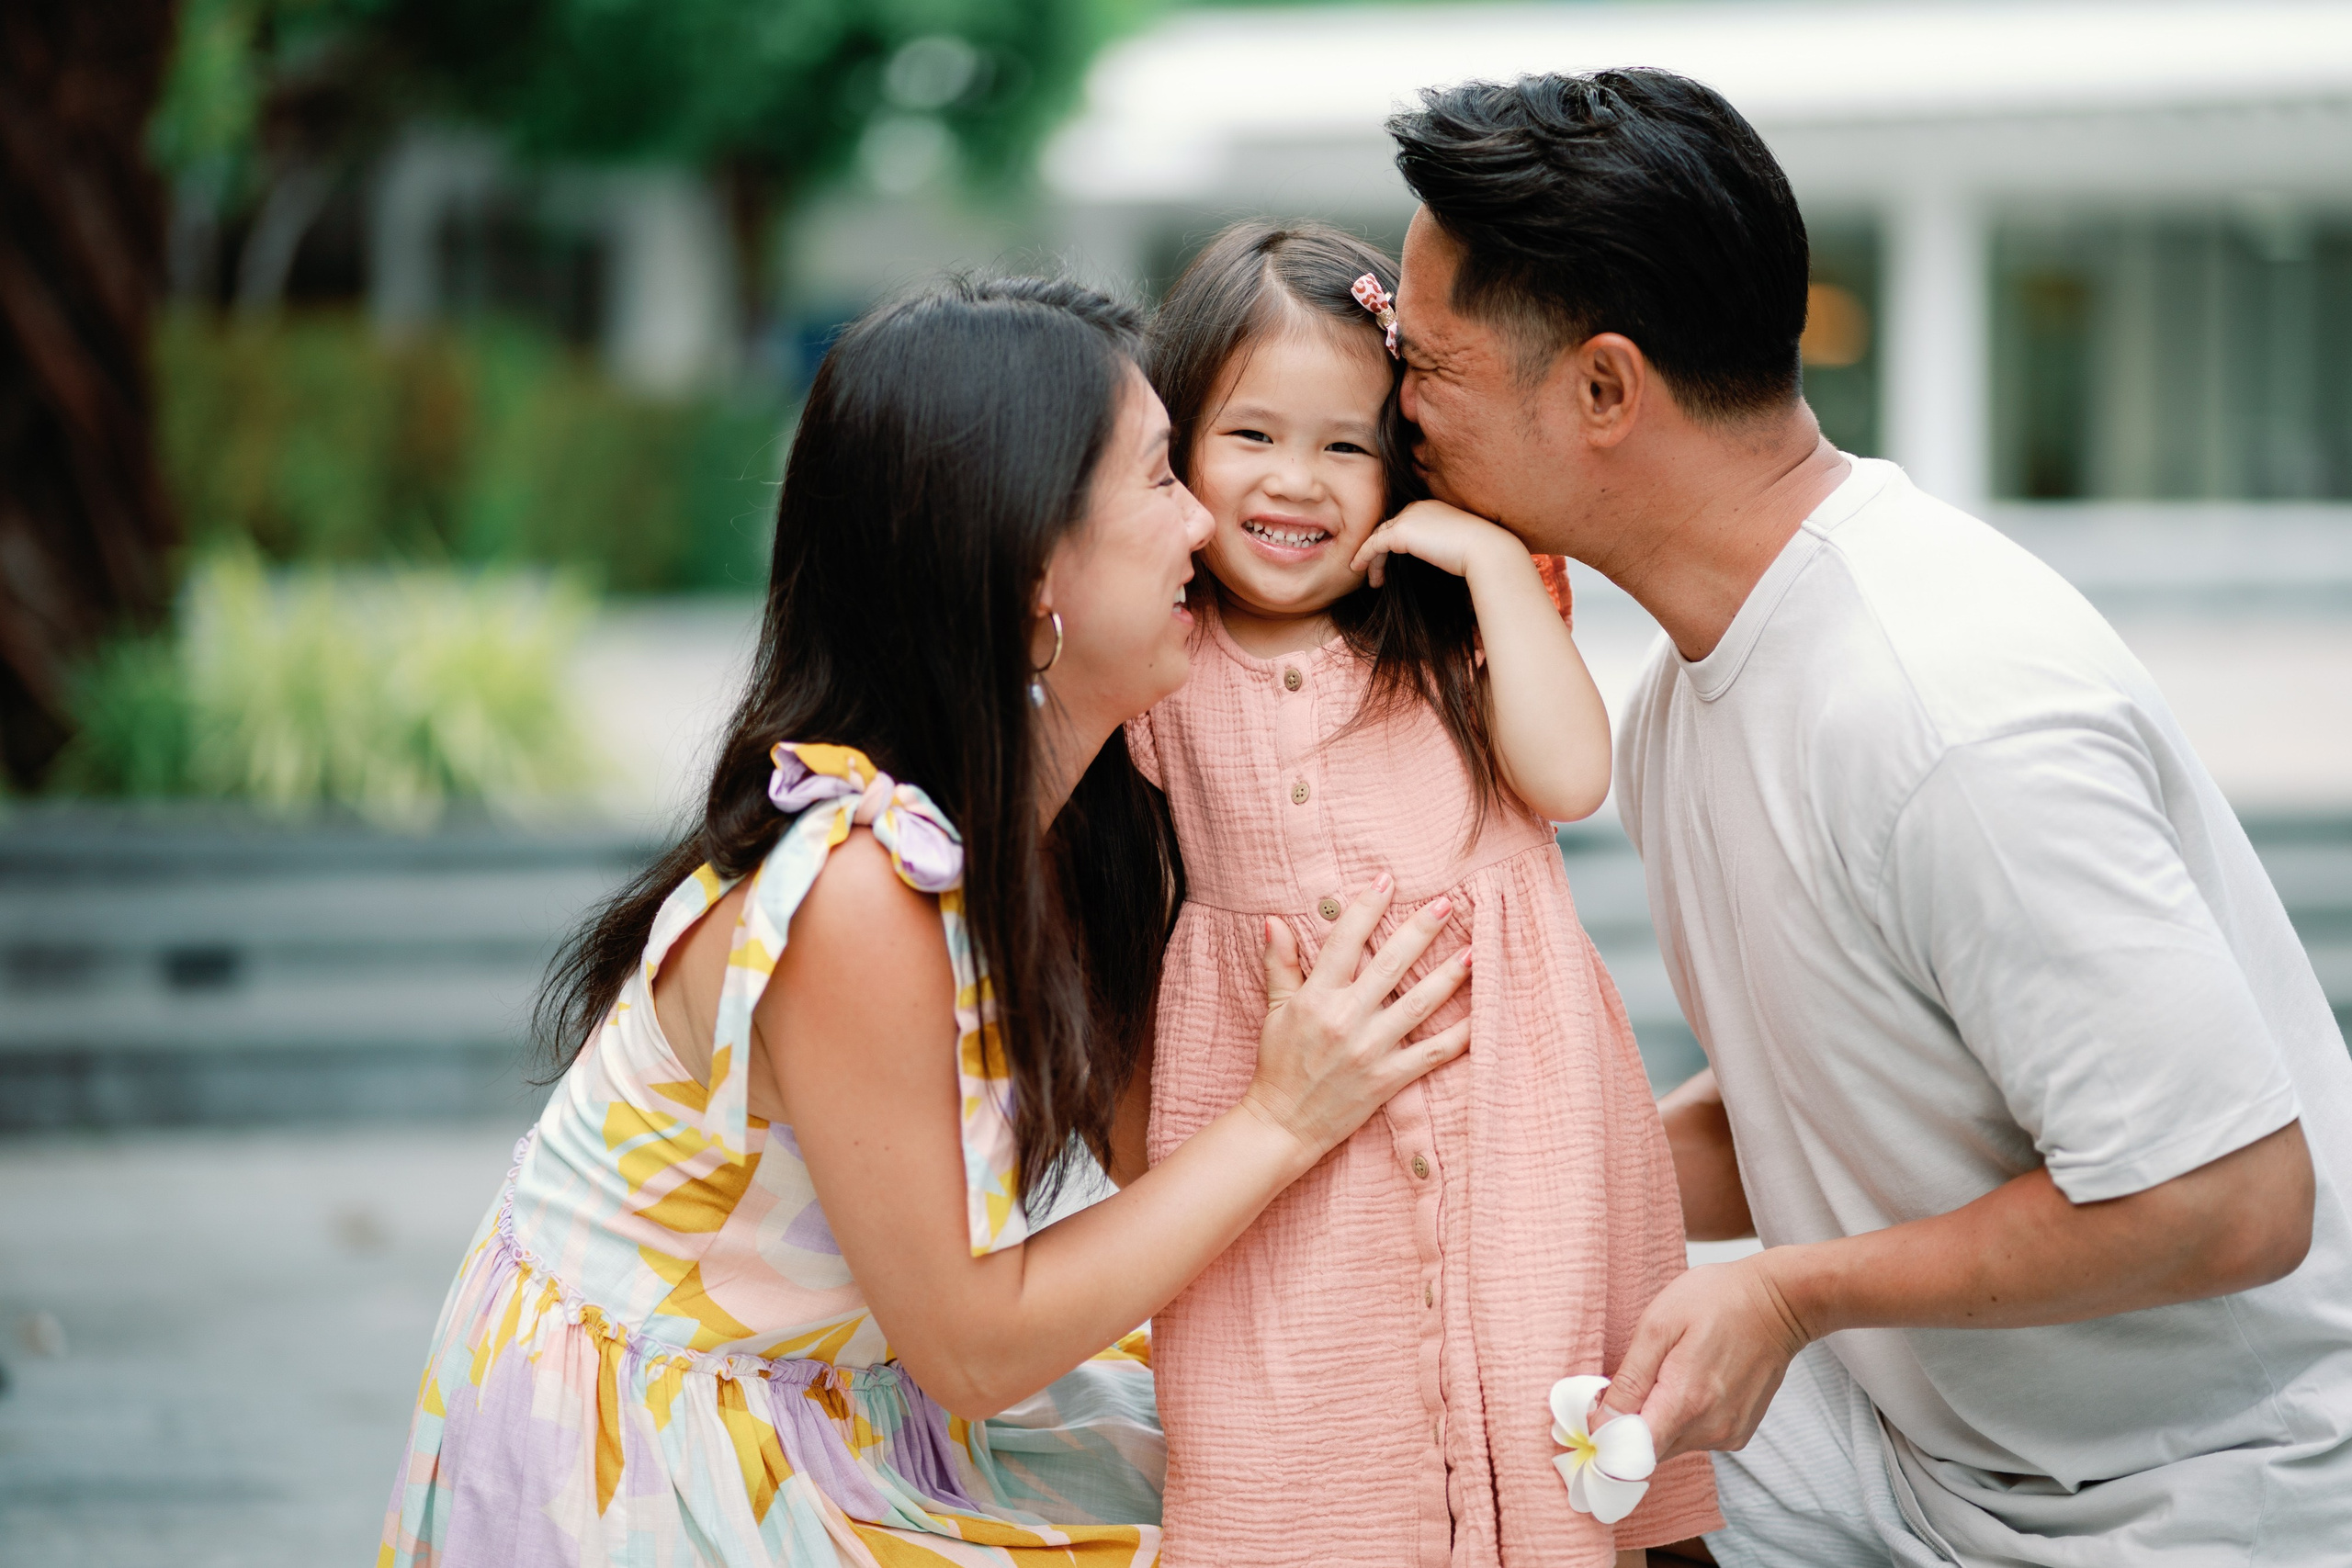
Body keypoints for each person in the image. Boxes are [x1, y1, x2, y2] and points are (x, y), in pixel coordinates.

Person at [1385, 69, 2352, 1567]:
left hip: (2194, 1497)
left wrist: (1787, 1293)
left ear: (1603, 391)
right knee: (1417, 1438)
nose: (1393, 416)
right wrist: (1499, 1172)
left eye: (1425, 368)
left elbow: (2231, 1203)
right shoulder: (1687, 695)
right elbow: (1821, 1087)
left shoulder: (1946, 711)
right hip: (1915, 1446)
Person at [377, 276, 1477, 1566]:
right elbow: (971, 1343)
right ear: (1027, 572)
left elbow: (1148, 1165)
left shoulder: (1080, 806)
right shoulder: (859, 890)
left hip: (855, 1384)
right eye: (1159, 477)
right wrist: (1285, 1115)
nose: (1206, 520)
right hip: (665, 1449)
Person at [1128, 219, 1717, 1568]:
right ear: (1173, 453)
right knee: (1304, 1469)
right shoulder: (1162, 656)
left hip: (1519, 1127)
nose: (1299, 482)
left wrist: (1499, 567)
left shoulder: (1451, 634)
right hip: (1289, 1155)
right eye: (1250, 437)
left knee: (1549, 1448)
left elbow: (1571, 779)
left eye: (1346, 443)